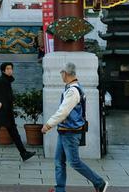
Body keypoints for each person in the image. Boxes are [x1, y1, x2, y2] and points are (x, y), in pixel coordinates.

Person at [41, 62, 108, 192]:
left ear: (65, 73)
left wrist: (48, 125)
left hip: (70, 132)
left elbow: (63, 111)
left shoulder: (72, 91)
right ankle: (60, 189)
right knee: (59, 162)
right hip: (65, 130)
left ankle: (99, 183)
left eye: (61, 73)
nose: (61, 75)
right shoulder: (75, 87)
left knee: (74, 162)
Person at [0, 62, 36, 162]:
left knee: (14, 134)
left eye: (11, 68)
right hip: (0, 113)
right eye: (8, 69)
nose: (10, 70)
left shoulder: (7, 81)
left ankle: (24, 153)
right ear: (3, 70)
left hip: (7, 113)